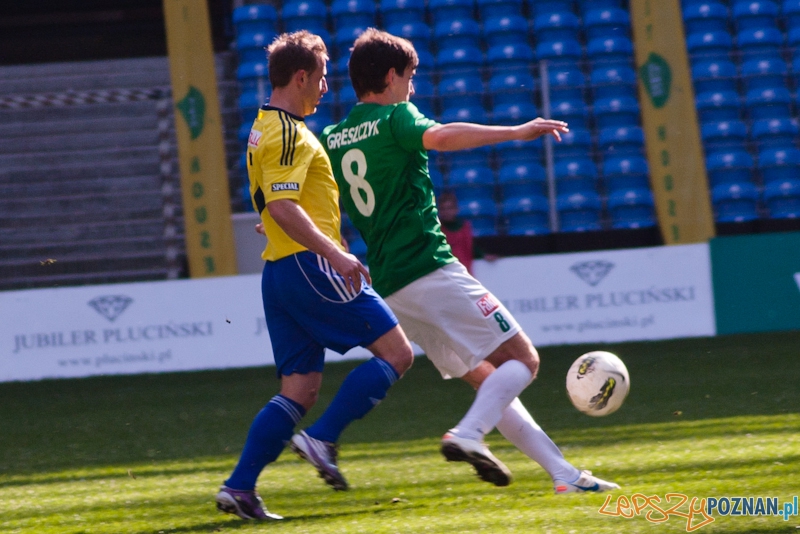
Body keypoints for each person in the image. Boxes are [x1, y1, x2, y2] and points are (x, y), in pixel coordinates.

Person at [321, 28, 619, 494]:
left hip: (392, 287)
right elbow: (440, 137)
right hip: (429, 268)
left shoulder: (334, 137)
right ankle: (468, 434)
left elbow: (318, 198)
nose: (412, 88)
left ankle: (564, 475)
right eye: (410, 77)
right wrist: (516, 131)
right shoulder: (396, 117)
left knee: (490, 381)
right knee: (523, 360)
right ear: (391, 76)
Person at [215, 30, 414, 521]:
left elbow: (275, 199)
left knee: (299, 389)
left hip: (281, 271)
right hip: (311, 265)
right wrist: (336, 255)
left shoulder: (263, 125)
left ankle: (240, 488)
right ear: (301, 77)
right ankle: (322, 439)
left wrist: (278, 217)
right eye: (322, 77)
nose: (326, 87)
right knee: (398, 353)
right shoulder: (288, 132)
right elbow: (282, 204)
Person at [436, 190, 498, 275]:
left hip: (464, 273)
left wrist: (483, 255)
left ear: (456, 209)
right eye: (443, 209)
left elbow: (470, 246)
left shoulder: (465, 227)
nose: (447, 212)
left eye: (450, 208)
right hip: (445, 274)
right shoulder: (436, 230)